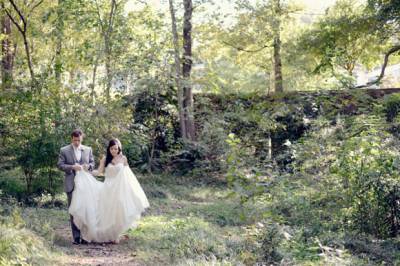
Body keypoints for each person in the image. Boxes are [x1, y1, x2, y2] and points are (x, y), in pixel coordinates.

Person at [94, 139, 150, 243]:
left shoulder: (123, 159)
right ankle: (106, 233)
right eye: (111, 148)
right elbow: (98, 172)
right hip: (107, 188)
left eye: (115, 148)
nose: (114, 150)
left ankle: (115, 234)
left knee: (119, 210)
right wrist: (87, 171)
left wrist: (132, 189)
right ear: (109, 149)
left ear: (119, 148)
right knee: (107, 210)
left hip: (119, 188)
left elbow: (128, 174)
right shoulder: (105, 159)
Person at [57, 129, 95, 245]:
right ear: (71, 139)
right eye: (74, 140)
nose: (77, 142)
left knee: (86, 210)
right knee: (73, 211)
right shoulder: (64, 150)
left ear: (82, 138)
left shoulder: (88, 149)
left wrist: (87, 166)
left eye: (78, 140)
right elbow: (60, 165)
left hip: (85, 186)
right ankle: (76, 237)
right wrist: (72, 167)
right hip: (71, 184)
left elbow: (93, 164)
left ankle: (85, 237)